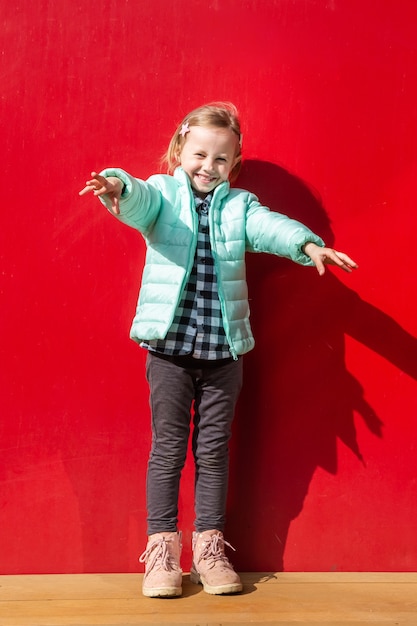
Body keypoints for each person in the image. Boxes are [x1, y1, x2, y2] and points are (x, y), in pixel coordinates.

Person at [79, 102, 358, 598]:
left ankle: (209, 549)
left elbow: (271, 227)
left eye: (220, 160)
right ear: (179, 149)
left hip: (223, 353)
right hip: (168, 350)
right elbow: (138, 197)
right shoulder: (162, 194)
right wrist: (117, 185)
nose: (208, 166)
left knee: (212, 452)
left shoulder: (240, 207)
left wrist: (309, 245)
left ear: (233, 164)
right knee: (167, 450)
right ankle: (162, 551)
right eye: (199, 154)